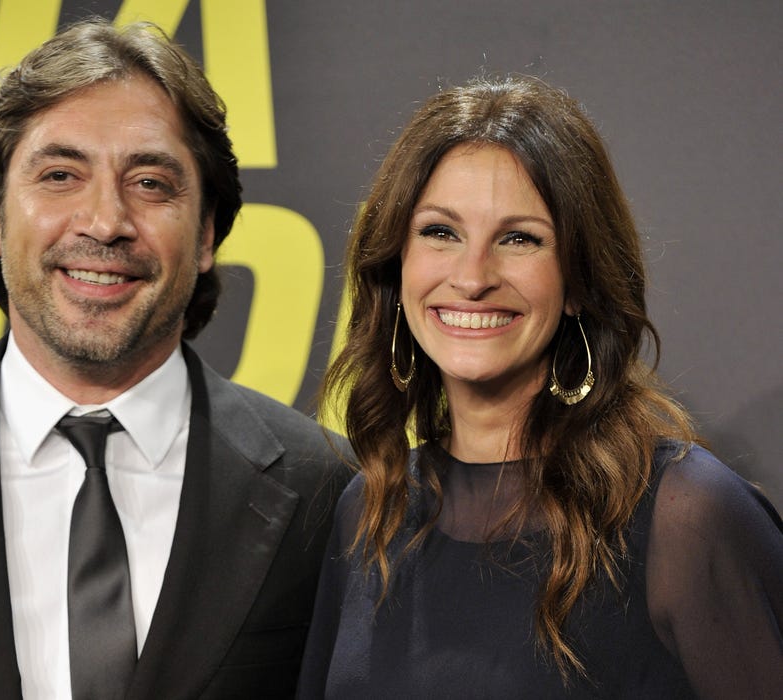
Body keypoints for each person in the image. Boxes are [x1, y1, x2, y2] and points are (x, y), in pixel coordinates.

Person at [0, 19, 349, 699]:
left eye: (150, 183)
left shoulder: (334, 488)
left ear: (207, 230)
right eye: (60, 175)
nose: (104, 221)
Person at [297, 75, 783, 699]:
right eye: (440, 232)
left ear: (579, 280)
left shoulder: (682, 516)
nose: (472, 277)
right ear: (397, 262)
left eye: (519, 239)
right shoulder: (368, 510)